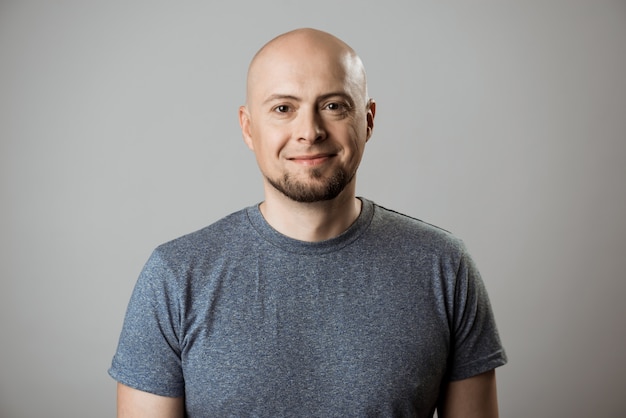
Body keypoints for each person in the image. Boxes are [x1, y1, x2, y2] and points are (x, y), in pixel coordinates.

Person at [109, 28, 507, 417]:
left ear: (368, 120)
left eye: (334, 106)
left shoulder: (444, 267)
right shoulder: (175, 277)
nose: (310, 132)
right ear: (249, 127)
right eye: (283, 108)